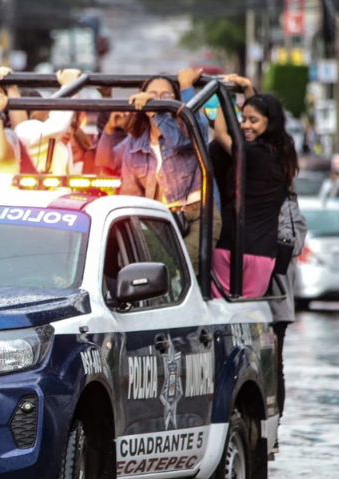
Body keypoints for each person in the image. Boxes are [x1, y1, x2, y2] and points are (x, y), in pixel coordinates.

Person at [105, 68, 222, 274]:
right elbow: (127, 189)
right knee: (148, 272)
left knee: (178, 269)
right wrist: (108, 128)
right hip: (160, 220)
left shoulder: (188, 129)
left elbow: (183, 139)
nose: (158, 101)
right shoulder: (135, 144)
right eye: (152, 97)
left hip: (199, 215)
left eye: (166, 97)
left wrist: (185, 88)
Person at [210, 86, 295, 298]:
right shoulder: (284, 154)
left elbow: (221, 133)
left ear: (269, 121)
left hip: (228, 245)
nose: (245, 125)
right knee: (250, 316)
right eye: (243, 119)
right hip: (261, 252)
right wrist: (248, 88)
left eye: (252, 121)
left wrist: (223, 96)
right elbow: (258, 117)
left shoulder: (247, 152)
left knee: (222, 312)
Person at [0, 67, 81, 174]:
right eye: (39, 122)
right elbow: (54, 127)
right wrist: (69, 86)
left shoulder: (60, 145)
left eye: (48, 118)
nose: (68, 131)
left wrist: (11, 85)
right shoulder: (26, 134)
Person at [268, 193, 307, 418]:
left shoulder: (289, 207)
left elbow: (294, 244)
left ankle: (274, 424)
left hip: (277, 303)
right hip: (256, 300)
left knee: (274, 367)